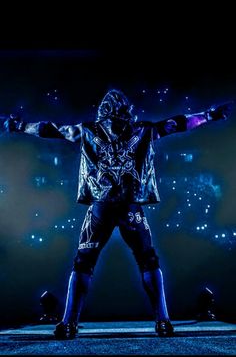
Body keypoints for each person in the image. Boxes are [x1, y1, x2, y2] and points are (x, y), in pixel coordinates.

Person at [2, 89, 232, 339]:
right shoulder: (143, 130)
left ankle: (68, 323)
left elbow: (51, 129)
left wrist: (18, 125)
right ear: (126, 109)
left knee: (83, 263)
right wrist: (209, 116)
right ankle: (163, 321)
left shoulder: (86, 130)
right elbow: (179, 124)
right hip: (130, 207)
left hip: (100, 207)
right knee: (148, 260)